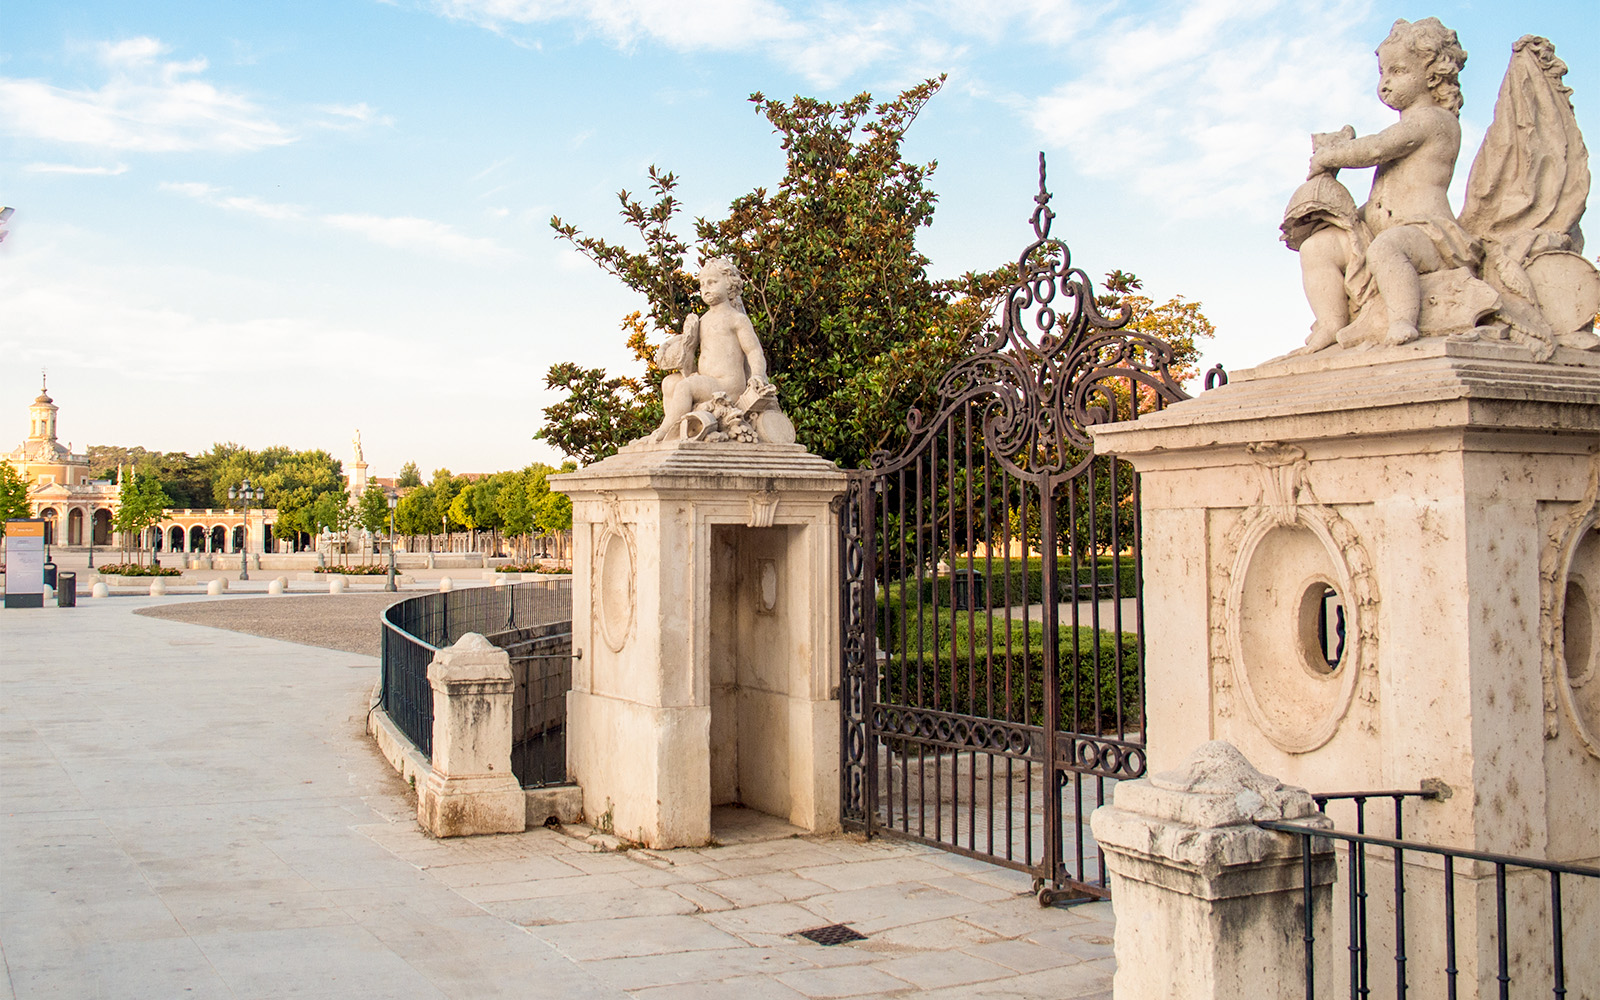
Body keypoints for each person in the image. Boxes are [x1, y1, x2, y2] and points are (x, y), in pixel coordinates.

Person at [1284, 18, 1481, 352]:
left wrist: (1331, 156)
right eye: (1382, 73)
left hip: (1426, 234)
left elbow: (1376, 148)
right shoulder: (1408, 126)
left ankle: (1403, 320)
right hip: (1379, 227)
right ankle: (1331, 324)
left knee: (1387, 249)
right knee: (1317, 247)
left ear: (1432, 75)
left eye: (1398, 71)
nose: (1386, 83)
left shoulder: (1434, 121)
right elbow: (1384, 193)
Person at [649, 258, 775, 441]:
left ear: (729, 284)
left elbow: (754, 351)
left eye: (712, 282)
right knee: (669, 383)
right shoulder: (703, 320)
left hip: (726, 386)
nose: (706, 288)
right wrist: (669, 349)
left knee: (686, 386)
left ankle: (665, 430)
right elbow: (687, 344)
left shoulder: (736, 319)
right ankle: (678, 429)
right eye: (702, 284)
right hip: (706, 382)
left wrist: (757, 375)